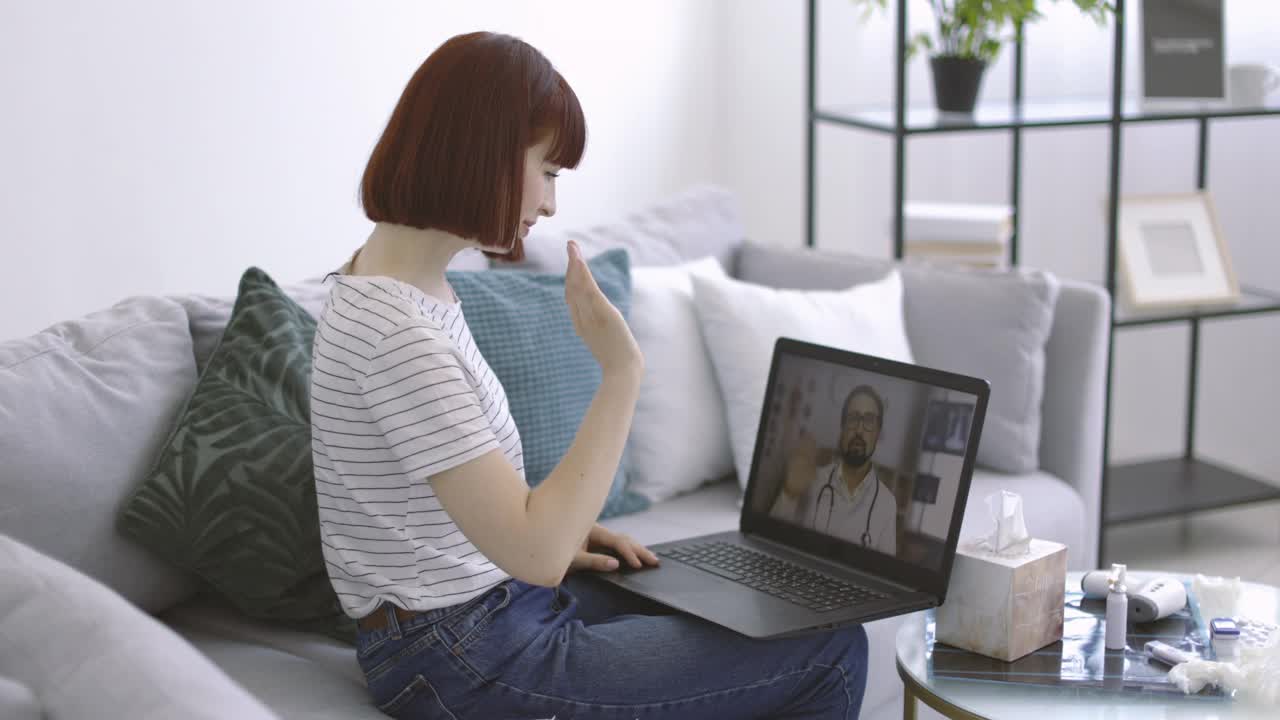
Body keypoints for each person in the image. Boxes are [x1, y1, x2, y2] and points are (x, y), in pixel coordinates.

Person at [310, 31, 868, 719]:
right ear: (482, 155)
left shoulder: (400, 288)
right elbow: (535, 553)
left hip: (486, 607)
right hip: (458, 657)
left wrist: (561, 531)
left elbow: (440, 510)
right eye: (547, 170)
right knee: (829, 645)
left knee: (772, 604)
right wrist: (622, 371)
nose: (548, 204)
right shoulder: (399, 334)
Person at [770, 385, 897, 554]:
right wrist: (789, 493)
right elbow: (772, 541)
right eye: (853, 418)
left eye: (868, 420)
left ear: (878, 433)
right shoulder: (811, 479)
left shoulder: (887, 504)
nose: (859, 430)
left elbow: (885, 573)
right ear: (842, 427)